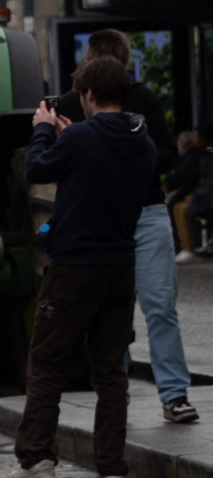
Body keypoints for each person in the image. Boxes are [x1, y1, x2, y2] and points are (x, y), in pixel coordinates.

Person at [4, 57, 156, 478]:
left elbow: (35, 169)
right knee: (110, 368)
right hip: (120, 267)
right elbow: (108, 171)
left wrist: (43, 130)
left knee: (48, 362)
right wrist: (75, 137)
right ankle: (110, 467)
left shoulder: (81, 138)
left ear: (88, 95)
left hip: (74, 267)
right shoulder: (141, 141)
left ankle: (35, 462)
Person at [58, 30, 196, 424]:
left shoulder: (142, 99)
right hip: (126, 213)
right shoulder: (71, 102)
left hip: (142, 211)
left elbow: (167, 151)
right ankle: (118, 397)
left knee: (156, 305)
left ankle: (171, 393)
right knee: (120, 311)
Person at [168, 130, 207, 260]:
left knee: (182, 208)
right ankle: (185, 246)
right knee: (178, 207)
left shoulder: (194, 157)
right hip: (198, 193)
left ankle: (189, 247)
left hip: (202, 195)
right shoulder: (190, 158)